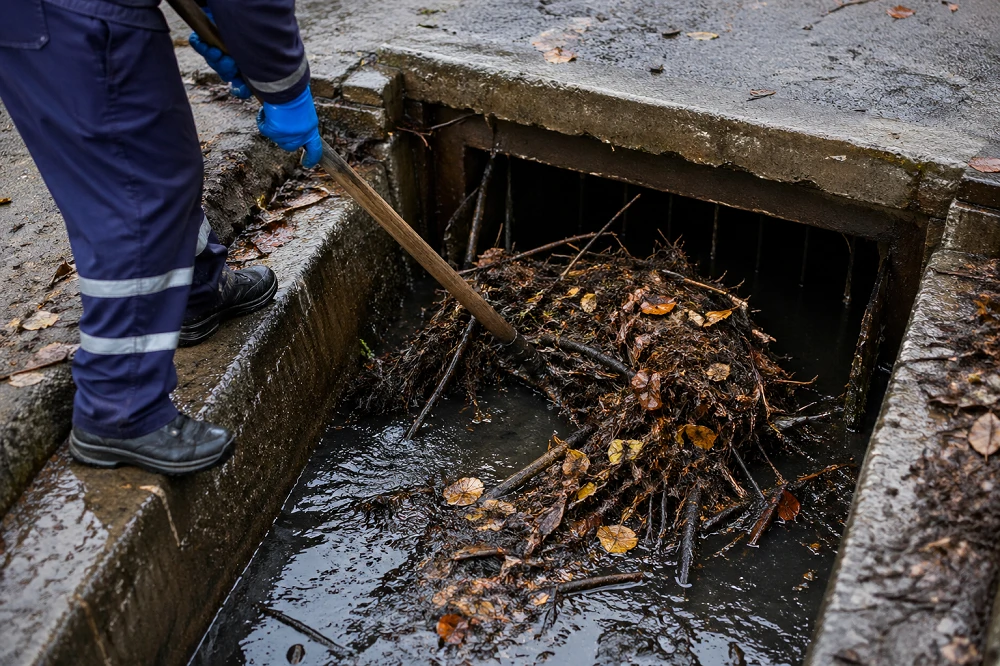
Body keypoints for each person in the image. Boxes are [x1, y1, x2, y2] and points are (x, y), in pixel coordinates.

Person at [0, 0, 322, 475]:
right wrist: (283, 85)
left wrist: (227, 26)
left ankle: (195, 293)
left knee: (165, 163)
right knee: (132, 195)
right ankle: (119, 408)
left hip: (74, 14)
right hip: (71, 18)